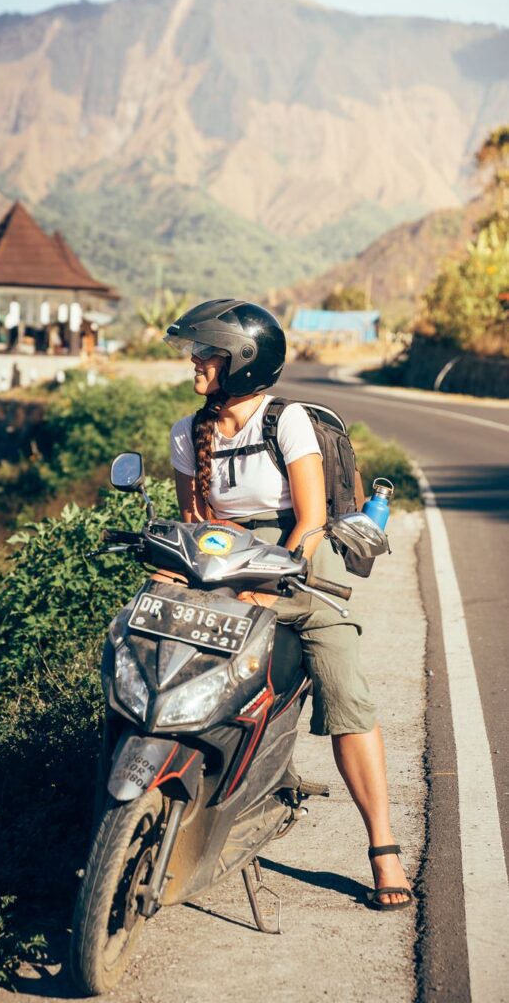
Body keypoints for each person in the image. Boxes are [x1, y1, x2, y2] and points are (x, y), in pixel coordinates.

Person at [163, 299, 413, 911]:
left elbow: (311, 519)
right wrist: (196, 579)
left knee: (345, 688)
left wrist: (269, 584)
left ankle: (383, 845)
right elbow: (195, 525)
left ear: (242, 363)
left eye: (206, 354)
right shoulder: (183, 433)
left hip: (303, 565)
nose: (194, 363)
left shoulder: (288, 421)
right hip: (227, 561)